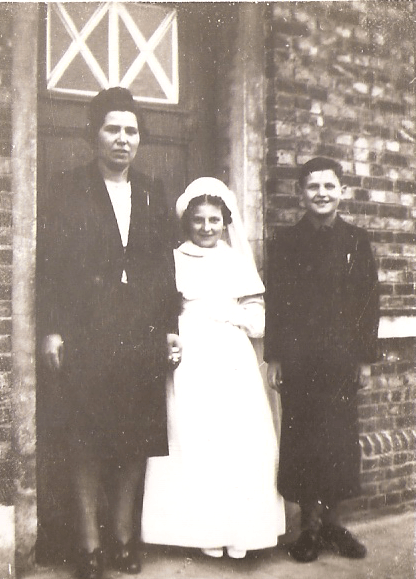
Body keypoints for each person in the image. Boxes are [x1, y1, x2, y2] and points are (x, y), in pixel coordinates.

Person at [38, 87, 181, 579]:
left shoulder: (151, 190)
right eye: (112, 129)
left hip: (140, 330)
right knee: (86, 438)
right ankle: (89, 547)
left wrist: (168, 328)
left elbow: (164, 268)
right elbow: (50, 265)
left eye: (131, 131)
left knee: (133, 438)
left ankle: (122, 539)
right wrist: (52, 329)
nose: (123, 139)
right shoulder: (67, 186)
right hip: (87, 328)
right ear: (94, 135)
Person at [141, 177, 285, 559]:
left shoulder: (236, 261)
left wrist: (232, 314)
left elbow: (258, 316)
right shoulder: (174, 259)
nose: (207, 228)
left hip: (231, 355)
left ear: (225, 222)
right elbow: (162, 308)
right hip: (191, 354)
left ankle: (240, 531)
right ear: (187, 222)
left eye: (214, 220)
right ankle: (205, 529)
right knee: (195, 435)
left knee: (236, 437)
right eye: (199, 220)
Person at [264, 157, 380, 563]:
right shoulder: (285, 241)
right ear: (300, 193)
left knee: (339, 441)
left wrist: (364, 360)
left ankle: (333, 525)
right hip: (299, 361)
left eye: (329, 186)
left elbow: (368, 304)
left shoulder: (356, 240)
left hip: (341, 361)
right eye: (313, 187)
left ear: (341, 191)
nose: (321, 194)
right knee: (303, 439)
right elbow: (276, 304)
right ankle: (309, 528)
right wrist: (275, 358)